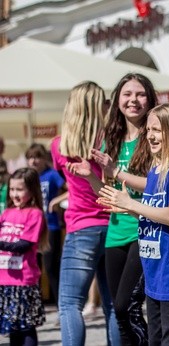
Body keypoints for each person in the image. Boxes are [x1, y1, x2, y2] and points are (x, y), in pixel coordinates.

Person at [97, 103, 169, 346]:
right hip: (155, 271)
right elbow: (154, 217)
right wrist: (129, 209)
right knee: (154, 340)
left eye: (157, 130)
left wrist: (132, 204)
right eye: (148, 130)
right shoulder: (156, 170)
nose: (150, 135)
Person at [68, 73, 157, 345]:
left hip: (144, 230)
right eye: (127, 94)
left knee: (123, 306)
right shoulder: (112, 140)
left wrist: (117, 171)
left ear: (150, 99)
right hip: (115, 232)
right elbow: (109, 196)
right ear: (117, 100)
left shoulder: (154, 136)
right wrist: (91, 177)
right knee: (119, 314)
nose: (133, 100)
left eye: (140, 94)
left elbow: (157, 186)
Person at [50, 81, 120, 346]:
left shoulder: (60, 146)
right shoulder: (112, 143)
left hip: (81, 227)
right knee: (112, 306)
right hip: (113, 225)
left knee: (69, 304)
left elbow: (68, 182)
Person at [0, 168, 48, 345]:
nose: (14, 194)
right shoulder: (6, 213)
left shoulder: (34, 214)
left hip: (24, 282)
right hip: (4, 281)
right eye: (12, 189)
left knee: (26, 326)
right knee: (13, 327)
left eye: (19, 190)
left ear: (32, 190)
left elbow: (23, 245)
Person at [25, 143, 66, 312]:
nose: (33, 161)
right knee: (33, 268)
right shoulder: (28, 177)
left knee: (51, 268)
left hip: (51, 227)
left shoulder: (52, 175)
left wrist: (56, 201)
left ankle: (60, 307)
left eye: (37, 157)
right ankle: (34, 307)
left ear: (44, 159)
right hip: (31, 228)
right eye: (30, 157)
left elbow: (70, 190)